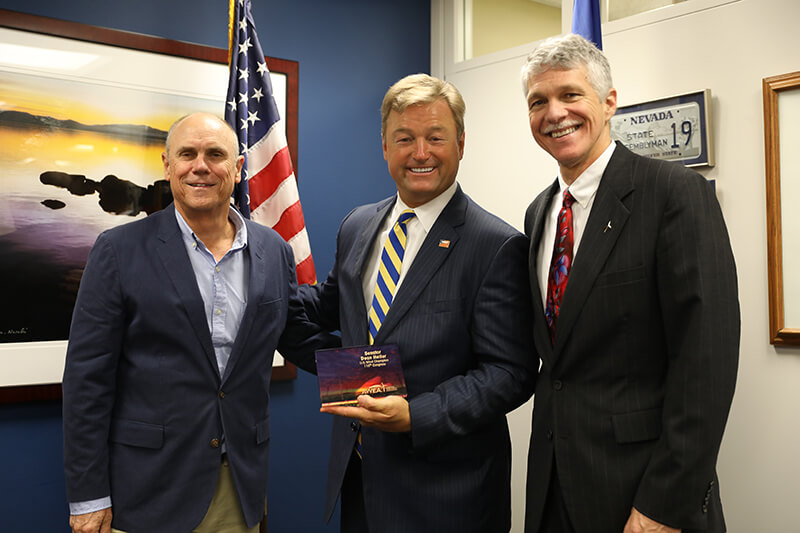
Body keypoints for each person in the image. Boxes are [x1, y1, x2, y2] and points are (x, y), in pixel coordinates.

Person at [62, 113, 332, 533]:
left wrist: (374, 374)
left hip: (237, 484)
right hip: (148, 488)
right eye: (187, 154)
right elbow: (87, 381)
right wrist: (88, 496)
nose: (200, 166)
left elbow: (294, 335)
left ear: (238, 167)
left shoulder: (272, 249)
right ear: (168, 164)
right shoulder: (118, 249)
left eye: (215, 154)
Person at [519, 34, 740, 533]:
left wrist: (664, 504)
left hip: (646, 499)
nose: (555, 113)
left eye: (570, 95)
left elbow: (707, 363)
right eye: (539, 102)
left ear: (608, 102)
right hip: (554, 493)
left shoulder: (674, 194)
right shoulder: (539, 214)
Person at [299, 73, 537, 533]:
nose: (421, 153)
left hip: (448, 498)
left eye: (435, 137)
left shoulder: (497, 245)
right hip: (362, 482)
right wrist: (259, 283)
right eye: (404, 138)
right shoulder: (357, 225)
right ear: (384, 146)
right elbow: (331, 312)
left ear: (461, 144)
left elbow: (511, 373)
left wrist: (417, 414)